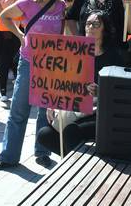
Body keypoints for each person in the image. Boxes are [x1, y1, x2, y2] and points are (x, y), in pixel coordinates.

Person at [0, 0, 66, 171]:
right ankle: (8, 157)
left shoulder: (61, 5)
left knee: (45, 112)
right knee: (18, 111)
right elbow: (3, 15)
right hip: (29, 62)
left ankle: (42, 152)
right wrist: (20, 34)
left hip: (52, 66)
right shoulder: (28, 2)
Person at [37, 11, 124, 156]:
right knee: (44, 134)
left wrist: (100, 91)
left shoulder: (113, 57)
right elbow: (61, 83)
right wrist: (52, 103)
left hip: (101, 112)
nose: (90, 27)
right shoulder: (75, 52)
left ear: (105, 29)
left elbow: (119, 92)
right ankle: (73, 161)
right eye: (88, 23)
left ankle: (77, 167)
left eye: (96, 24)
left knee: (71, 132)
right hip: (76, 110)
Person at [0, 0, 29, 102]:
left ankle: (17, 90)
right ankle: (3, 91)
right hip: (4, 31)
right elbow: (5, 6)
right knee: (4, 62)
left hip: (19, 31)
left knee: (17, 62)